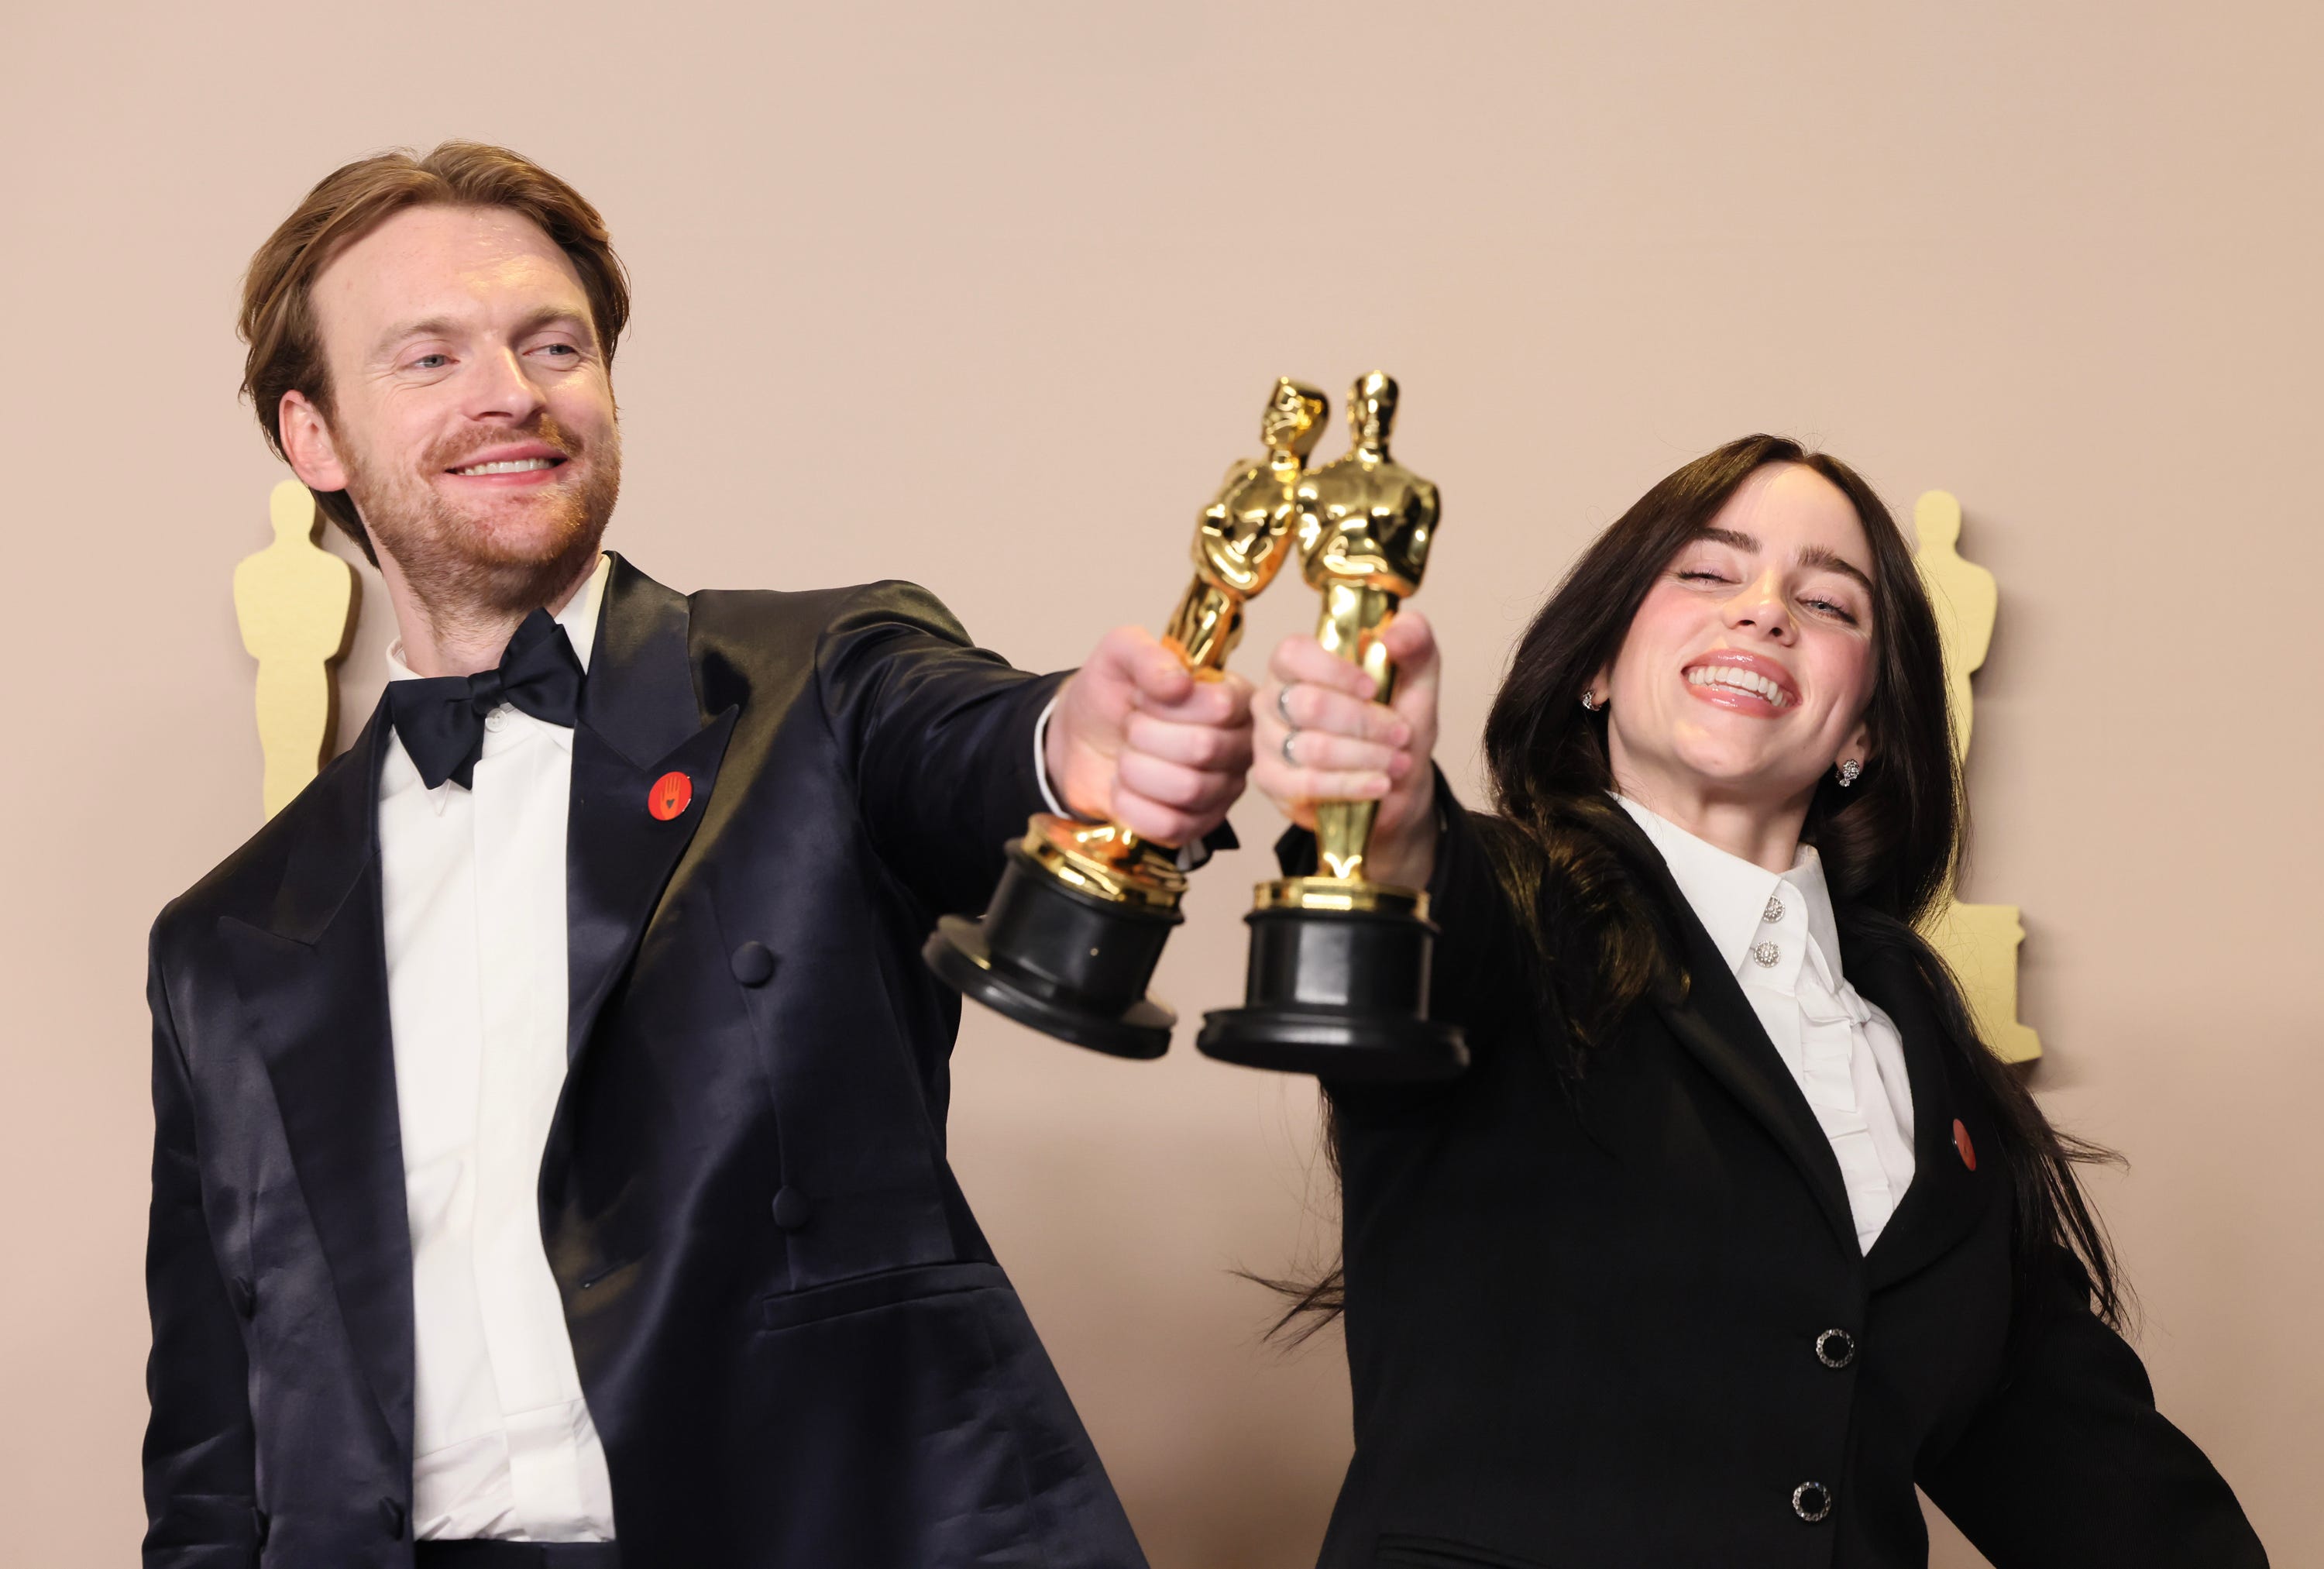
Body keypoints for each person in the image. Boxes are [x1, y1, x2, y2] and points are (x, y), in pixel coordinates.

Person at [144, 143, 1254, 1568]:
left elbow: (969, 747)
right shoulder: (222, 940)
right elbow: (209, 1461)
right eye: (429, 356)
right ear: (317, 439)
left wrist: (1071, 751)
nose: (514, 393)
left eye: (555, 344)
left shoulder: (815, 680)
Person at [1248, 436, 2266, 1566]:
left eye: (1830, 602)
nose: (1766, 612)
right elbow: (1423, 908)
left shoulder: (1931, 1064)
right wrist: (1382, 827)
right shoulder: (1508, 914)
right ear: (1595, 666)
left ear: (1866, 729)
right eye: (1705, 573)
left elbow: (2099, 1478)